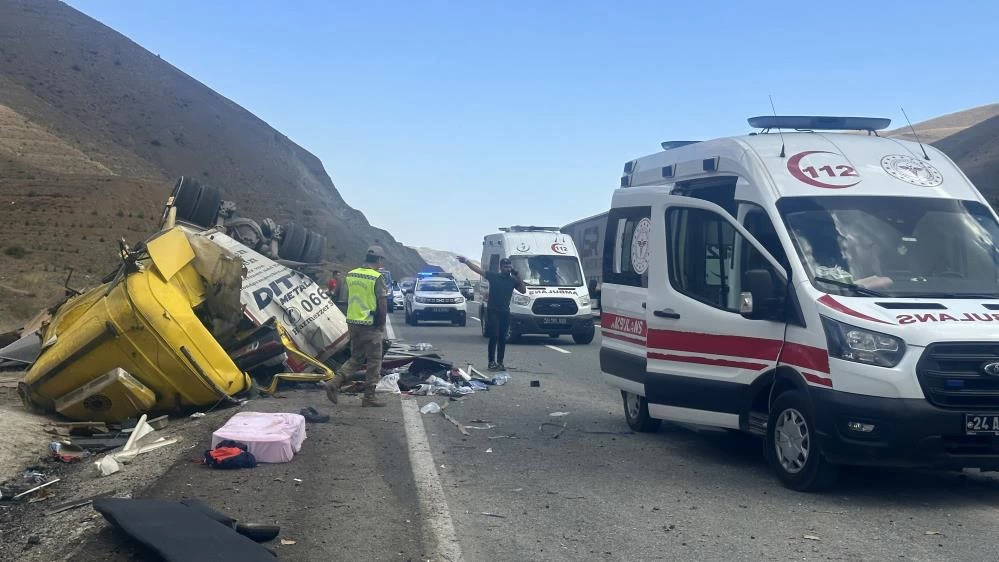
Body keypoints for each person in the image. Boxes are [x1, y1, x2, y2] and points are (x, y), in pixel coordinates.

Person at [322, 246, 388, 407]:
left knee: (356, 358)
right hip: (370, 324)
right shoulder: (376, 277)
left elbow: (341, 297)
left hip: (352, 322)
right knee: (374, 360)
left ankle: (334, 383)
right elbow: (382, 303)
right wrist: (381, 324)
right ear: (379, 260)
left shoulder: (351, 274)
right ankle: (369, 397)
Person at [458, 256, 526, 370]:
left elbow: (523, 290)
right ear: (501, 267)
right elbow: (477, 270)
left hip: (505, 311)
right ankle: (491, 362)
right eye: (505, 267)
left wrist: (517, 275)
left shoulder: (512, 280)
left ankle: (500, 362)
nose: (508, 269)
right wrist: (466, 261)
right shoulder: (494, 276)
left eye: (509, 267)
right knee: (494, 336)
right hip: (493, 310)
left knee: (502, 338)